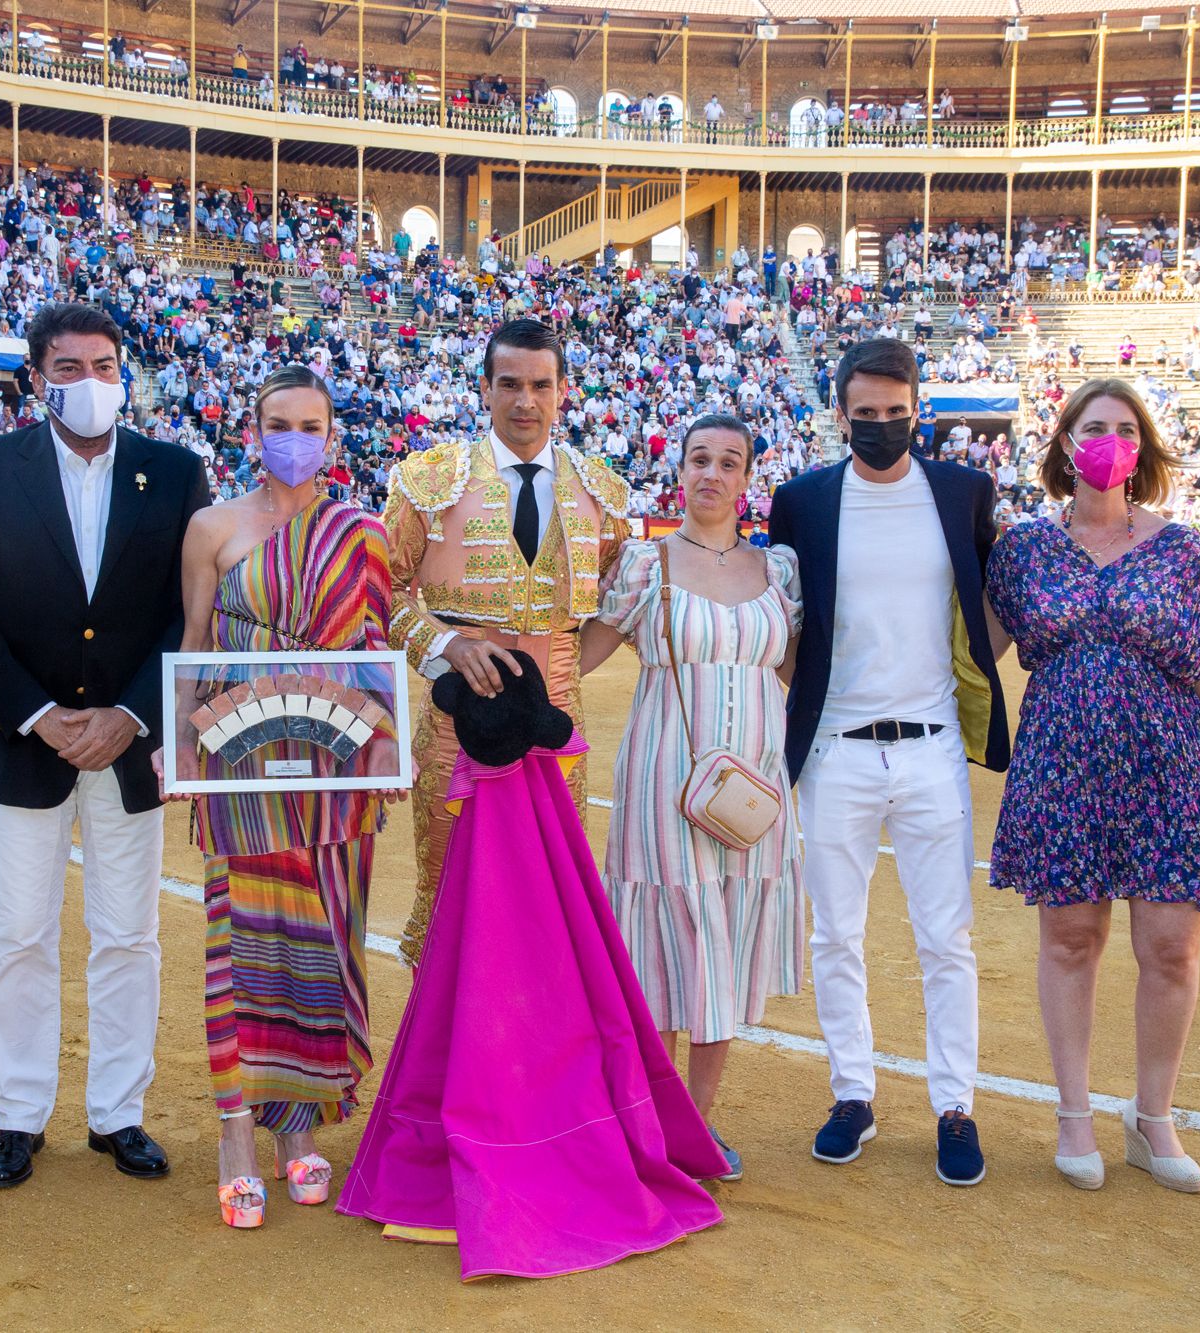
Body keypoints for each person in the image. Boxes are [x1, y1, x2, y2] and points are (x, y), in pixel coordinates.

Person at [0, 302, 209, 1190]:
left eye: (102, 364)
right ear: (34, 378)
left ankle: (118, 1113)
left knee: (128, 934)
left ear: (123, 371)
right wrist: (37, 712)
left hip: (130, 745)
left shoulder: (174, 472)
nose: (88, 382)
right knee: (18, 933)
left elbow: (187, 612)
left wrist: (130, 712)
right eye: (67, 367)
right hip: (27, 741)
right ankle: (18, 1114)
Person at [335, 655, 725, 1280]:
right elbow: (396, 604)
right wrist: (448, 644)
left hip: (522, 744)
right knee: (492, 934)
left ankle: (470, 1100)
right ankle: (511, 1099)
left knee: (495, 944)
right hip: (458, 742)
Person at [982, 378, 1200, 1194]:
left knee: (1171, 945)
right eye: (1094, 427)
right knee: (1070, 939)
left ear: (1145, 448)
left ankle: (1152, 1116)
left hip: (1170, 769)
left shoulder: (1182, 548)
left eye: (1126, 429)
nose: (1110, 441)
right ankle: (1072, 1113)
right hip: (1061, 766)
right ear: (1064, 443)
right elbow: (971, 650)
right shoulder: (1022, 548)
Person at [765, 337, 1009, 1188]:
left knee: (946, 937)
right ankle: (853, 1093)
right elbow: (788, 623)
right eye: (863, 414)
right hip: (836, 751)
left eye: (893, 413)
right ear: (841, 413)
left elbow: (987, 607)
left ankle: (955, 1104)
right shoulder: (799, 501)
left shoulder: (963, 491)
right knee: (836, 934)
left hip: (935, 747)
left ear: (918, 409)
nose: (878, 425)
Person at [172, 365, 395, 1229]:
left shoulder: (363, 533)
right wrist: (180, 745)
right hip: (239, 765)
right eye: (278, 421)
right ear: (251, 429)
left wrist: (383, 748)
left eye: (310, 424)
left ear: (332, 436)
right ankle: (236, 1134)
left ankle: (298, 1134)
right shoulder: (212, 527)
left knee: (319, 949)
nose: (294, 438)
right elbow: (193, 645)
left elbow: (375, 663)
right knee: (243, 948)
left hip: (334, 777)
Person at [579, 414, 803, 1182]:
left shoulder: (782, 570)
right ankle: (646, 1123)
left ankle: (698, 1125)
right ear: (680, 470)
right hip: (663, 777)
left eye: (729, 461)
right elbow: (580, 656)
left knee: (728, 938)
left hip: (755, 785)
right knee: (661, 944)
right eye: (699, 458)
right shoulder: (646, 563)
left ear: (748, 479)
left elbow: (801, 674)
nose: (712, 472)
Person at [381, 318, 632, 966]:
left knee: (550, 903)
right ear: (486, 390)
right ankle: (446, 1065)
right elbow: (383, 591)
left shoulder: (599, 492)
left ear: (562, 391)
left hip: (560, 730)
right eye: (511, 384)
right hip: (452, 727)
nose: (526, 400)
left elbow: (625, 600)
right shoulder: (431, 479)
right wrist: (447, 647)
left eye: (540, 385)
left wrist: (568, 664)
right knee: (446, 901)